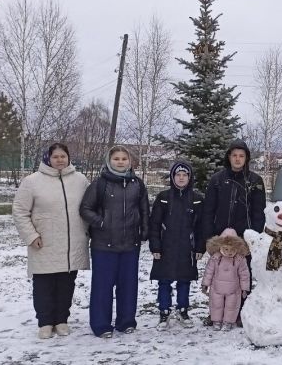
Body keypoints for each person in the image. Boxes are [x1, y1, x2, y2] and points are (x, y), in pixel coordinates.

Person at [12, 143, 90, 339]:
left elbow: (90, 207)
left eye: (63, 156)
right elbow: (20, 211)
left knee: (66, 284)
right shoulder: (32, 182)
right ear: (48, 158)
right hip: (44, 242)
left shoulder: (80, 180)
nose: (60, 160)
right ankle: (45, 322)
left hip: (72, 243)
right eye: (55, 157)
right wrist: (31, 236)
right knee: (44, 285)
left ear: (69, 157)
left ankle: (62, 319)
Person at [79, 145, 149, 338]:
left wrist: (144, 230)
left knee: (128, 285)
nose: (120, 162)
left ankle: (126, 321)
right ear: (109, 161)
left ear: (130, 162)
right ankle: (101, 325)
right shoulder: (99, 184)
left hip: (130, 245)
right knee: (103, 287)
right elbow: (85, 209)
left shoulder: (137, 184)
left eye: (124, 159)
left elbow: (144, 209)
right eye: (116, 158)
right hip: (104, 246)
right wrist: (101, 222)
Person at [199, 139, 265, 327]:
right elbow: (208, 210)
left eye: (241, 156)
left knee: (242, 276)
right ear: (229, 157)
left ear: (246, 158)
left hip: (244, 239)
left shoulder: (254, 181)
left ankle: (241, 313)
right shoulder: (217, 180)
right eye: (234, 155)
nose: (237, 159)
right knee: (218, 278)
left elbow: (259, 213)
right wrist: (210, 238)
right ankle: (215, 314)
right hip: (221, 238)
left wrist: (254, 237)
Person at [149, 161, 205, 329]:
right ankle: (164, 311)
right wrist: (155, 246)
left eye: (184, 175)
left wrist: (199, 247)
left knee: (184, 280)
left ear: (189, 177)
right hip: (166, 247)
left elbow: (201, 226)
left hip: (186, 248)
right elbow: (155, 224)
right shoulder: (163, 198)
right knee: (164, 281)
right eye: (178, 175)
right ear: (172, 177)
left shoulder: (197, 200)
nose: (181, 178)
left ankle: (183, 310)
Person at [201, 228, 251, 331]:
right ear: (220, 247)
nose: (229, 252)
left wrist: (245, 288)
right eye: (226, 249)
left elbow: (244, 274)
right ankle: (216, 320)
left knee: (231, 306)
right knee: (216, 304)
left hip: (233, 289)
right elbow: (209, 271)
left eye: (232, 249)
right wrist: (205, 284)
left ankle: (228, 322)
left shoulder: (239, 259)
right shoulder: (215, 258)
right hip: (216, 288)